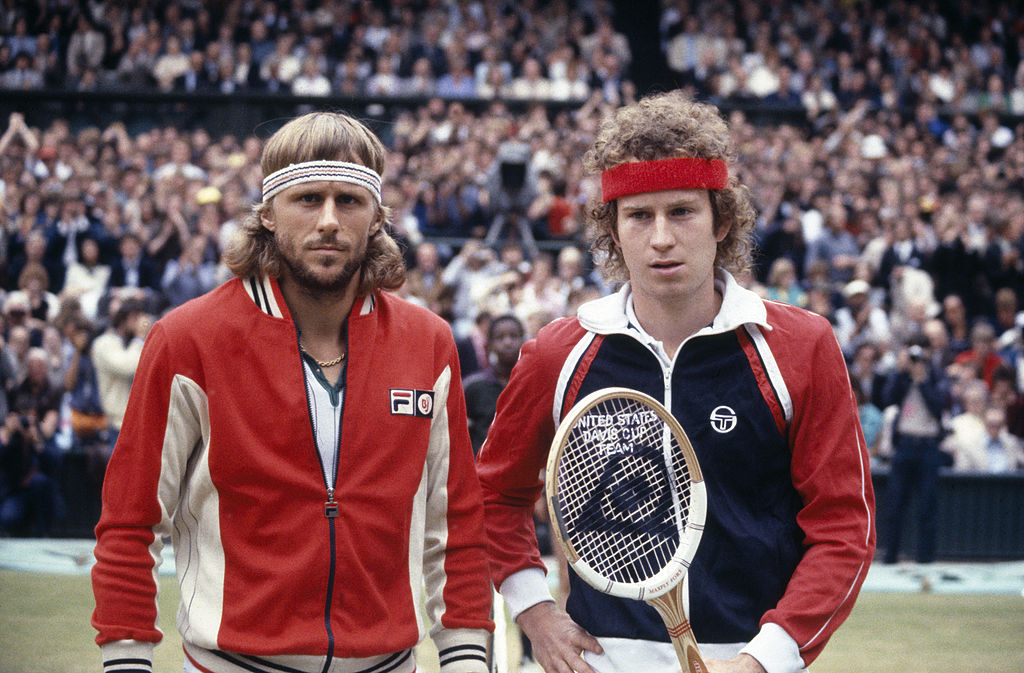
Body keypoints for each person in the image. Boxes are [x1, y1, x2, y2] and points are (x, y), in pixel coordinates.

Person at [476, 91, 875, 673]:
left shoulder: (801, 346)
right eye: (639, 215)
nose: (661, 237)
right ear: (613, 230)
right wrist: (534, 612)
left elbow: (844, 524)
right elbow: (490, 496)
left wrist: (766, 658)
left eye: (682, 212)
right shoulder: (557, 354)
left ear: (723, 220)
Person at [91, 111, 493, 673]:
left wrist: (468, 660)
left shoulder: (428, 343)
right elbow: (131, 520)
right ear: (268, 215)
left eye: (349, 201)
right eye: (308, 199)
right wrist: (126, 660)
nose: (329, 220)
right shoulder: (187, 339)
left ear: (377, 217)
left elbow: (456, 526)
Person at [878, 342, 950, 564]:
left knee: (927, 504)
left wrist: (923, 380)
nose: (917, 363)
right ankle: (890, 556)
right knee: (895, 503)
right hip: (905, 445)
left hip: (928, 446)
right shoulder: (902, 377)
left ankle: (925, 558)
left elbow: (938, 406)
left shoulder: (937, 377)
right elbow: (888, 399)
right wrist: (902, 372)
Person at [463, 313, 526, 455]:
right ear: (489, 344)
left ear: (524, 340)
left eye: (514, 336)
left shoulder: (531, 384)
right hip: (481, 469)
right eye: (500, 337)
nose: (508, 342)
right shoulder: (474, 386)